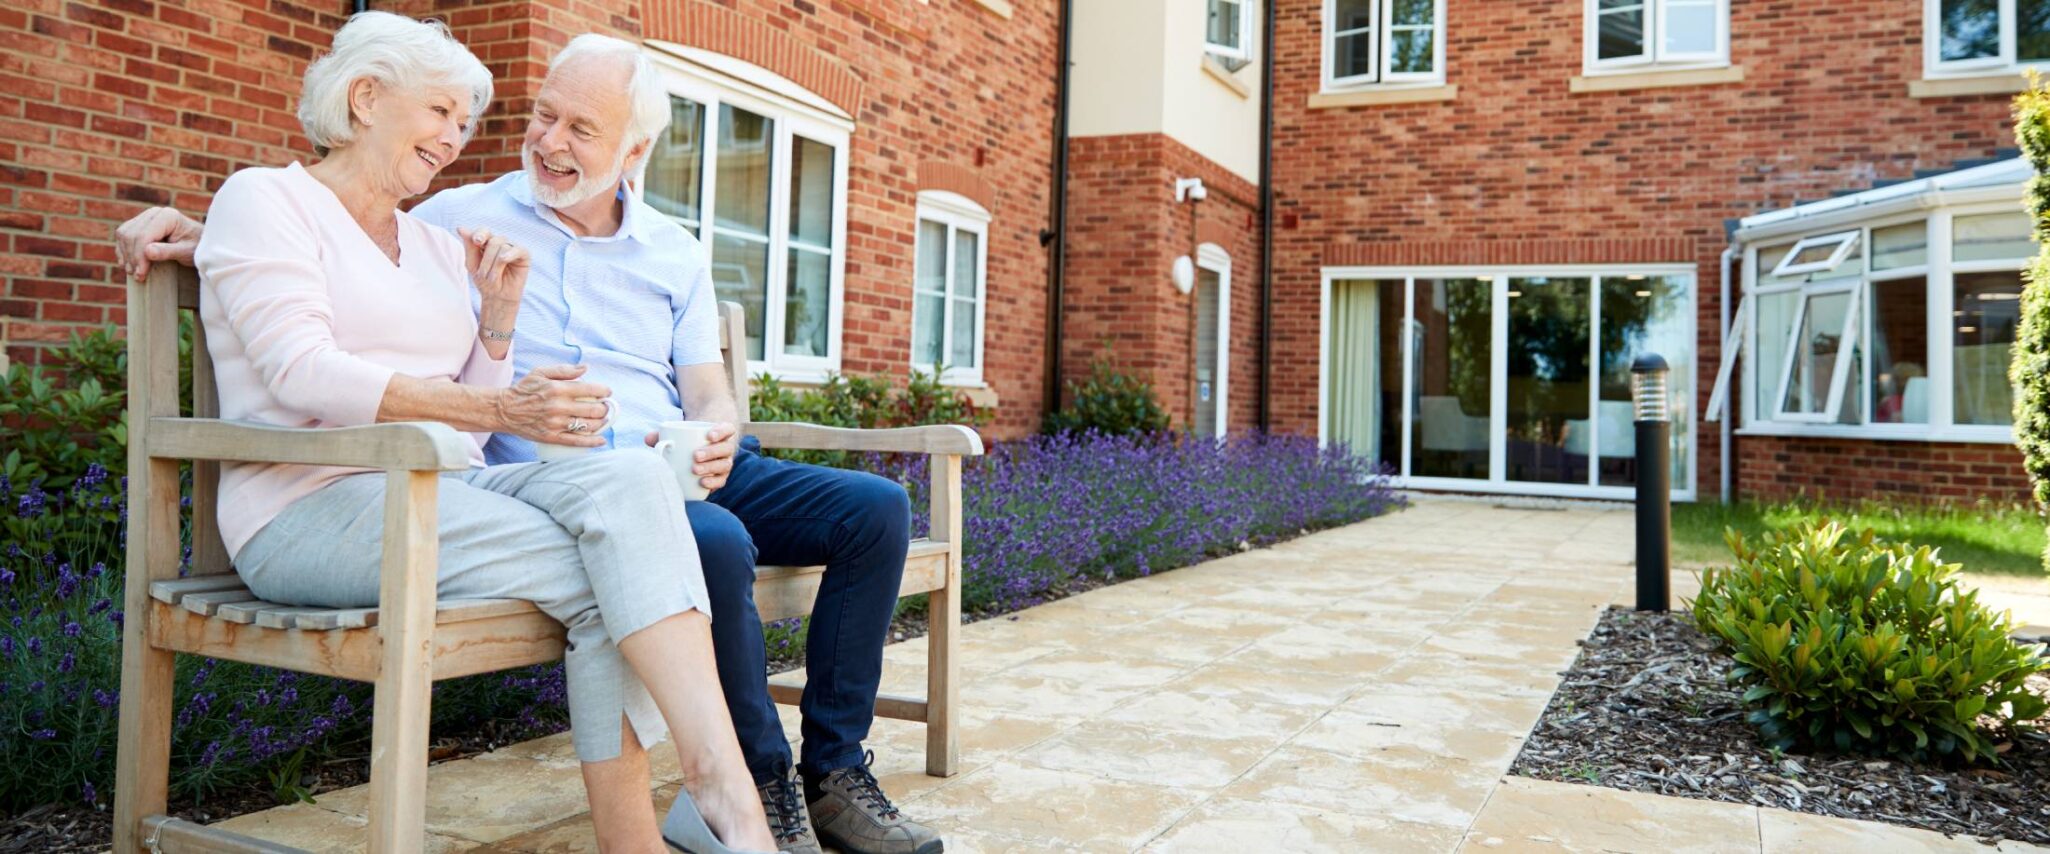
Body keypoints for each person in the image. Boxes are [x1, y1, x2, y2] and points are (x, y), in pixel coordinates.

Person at [118, 30, 943, 854]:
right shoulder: (280, 201)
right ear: (366, 98)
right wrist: (216, 236)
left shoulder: (434, 240)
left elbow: (480, 374)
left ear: (634, 150)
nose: (457, 135)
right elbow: (302, 362)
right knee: (635, 552)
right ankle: (729, 797)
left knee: (639, 505)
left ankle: (725, 797)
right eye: (442, 110)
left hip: (469, 489)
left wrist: (500, 319)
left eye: (466, 120)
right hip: (317, 505)